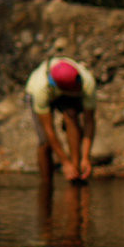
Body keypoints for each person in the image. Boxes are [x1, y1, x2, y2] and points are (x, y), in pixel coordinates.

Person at [27, 56, 98, 190]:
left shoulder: (87, 82)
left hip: (66, 89)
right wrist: (65, 162)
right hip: (40, 93)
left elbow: (89, 121)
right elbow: (49, 129)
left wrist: (86, 157)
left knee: (72, 116)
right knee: (44, 142)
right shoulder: (39, 88)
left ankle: (76, 173)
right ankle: (46, 184)